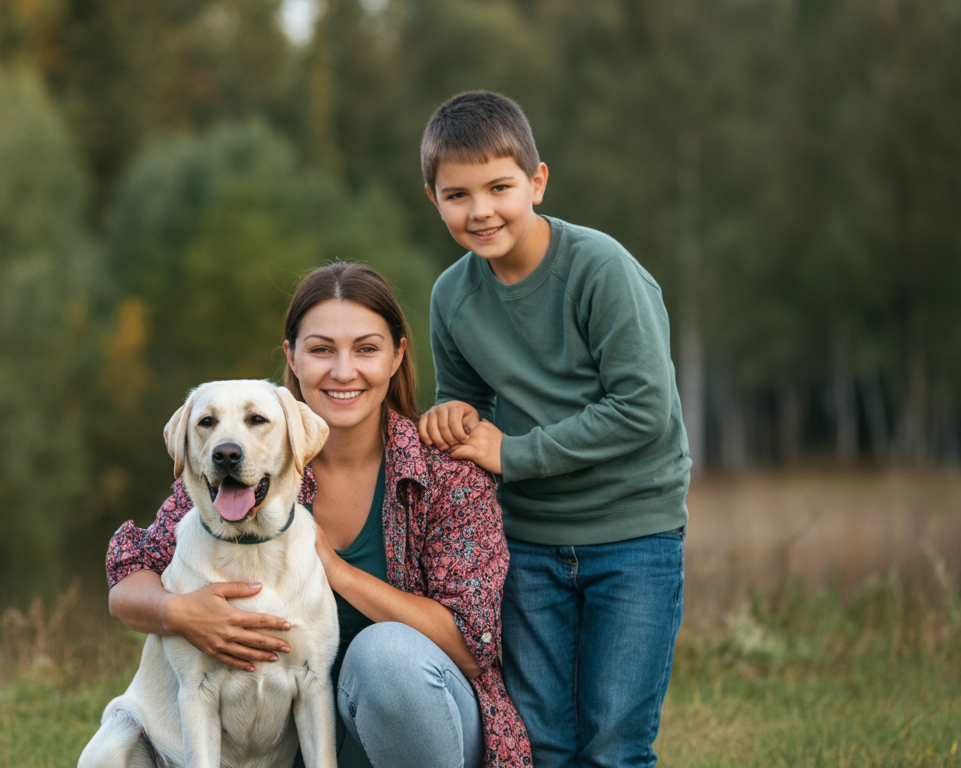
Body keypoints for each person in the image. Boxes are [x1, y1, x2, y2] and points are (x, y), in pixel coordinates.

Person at [103, 262, 532, 768]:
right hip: (301, 747)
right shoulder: (238, 470)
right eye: (321, 349)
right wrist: (178, 612)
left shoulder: (445, 474)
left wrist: (337, 570)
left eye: (366, 349)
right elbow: (128, 579)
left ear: (397, 355)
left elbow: (470, 644)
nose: (343, 371)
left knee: (385, 657)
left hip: (427, 727)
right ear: (293, 356)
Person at [416, 90, 691, 768]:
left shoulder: (599, 270)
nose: (480, 210)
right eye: (457, 195)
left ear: (537, 182)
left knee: (615, 743)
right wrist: (450, 417)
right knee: (542, 743)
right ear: (434, 200)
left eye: (499, 187)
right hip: (529, 546)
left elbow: (642, 410)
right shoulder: (452, 297)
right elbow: (465, 404)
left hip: (632, 536)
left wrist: (513, 453)